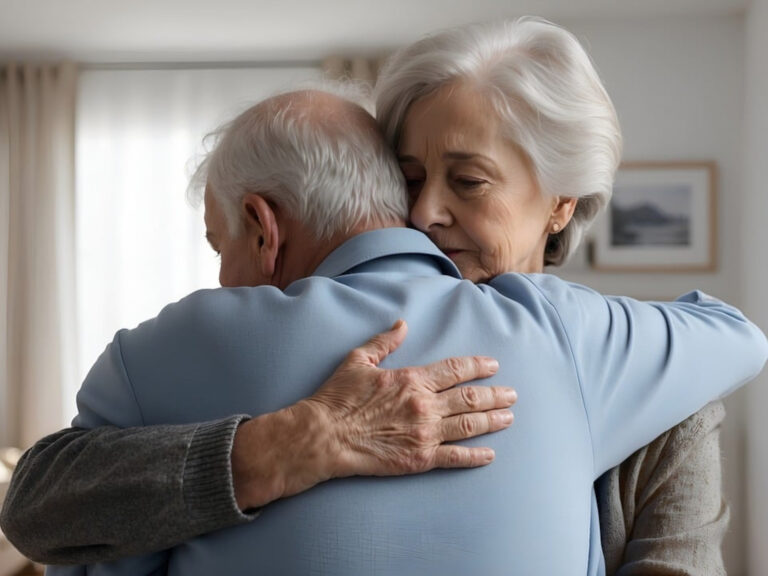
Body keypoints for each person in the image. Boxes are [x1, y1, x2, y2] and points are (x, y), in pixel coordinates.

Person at [0, 18, 760, 575]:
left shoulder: (625, 362)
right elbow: (47, 510)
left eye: (466, 180)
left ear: (561, 202)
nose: (425, 213)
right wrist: (285, 446)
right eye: (408, 178)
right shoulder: (251, 339)